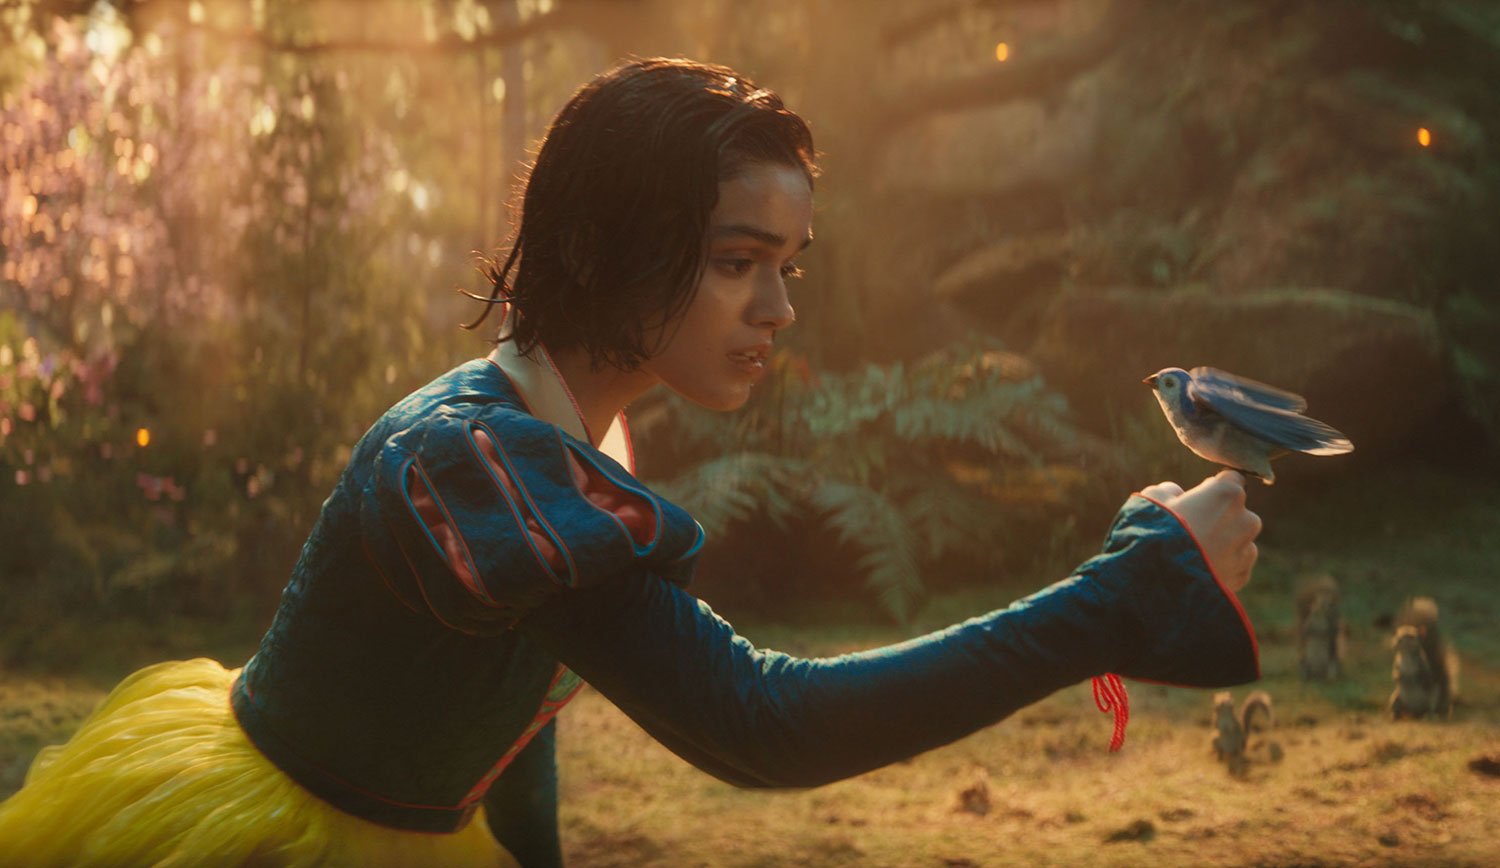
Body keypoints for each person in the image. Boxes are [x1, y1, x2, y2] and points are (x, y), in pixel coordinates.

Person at [0, 58, 1262, 867]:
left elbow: (520, 709)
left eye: (788, 266)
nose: (779, 308)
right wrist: (1123, 596)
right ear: (600, 248)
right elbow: (764, 722)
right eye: (736, 261)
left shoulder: (574, 437)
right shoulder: (476, 462)